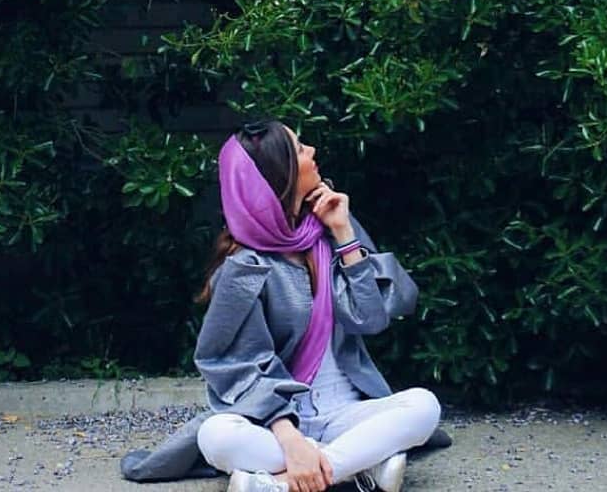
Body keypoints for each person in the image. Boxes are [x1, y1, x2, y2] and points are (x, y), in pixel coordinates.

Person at [120, 119, 449, 491]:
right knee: (216, 435)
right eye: (301, 149)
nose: (313, 151)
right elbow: (236, 365)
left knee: (424, 405)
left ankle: (282, 484)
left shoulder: (330, 234)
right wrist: (290, 439)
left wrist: (344, 234)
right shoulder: (245, 267)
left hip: (344, 412)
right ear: (282, 173)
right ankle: (360, 466)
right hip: (272, 424)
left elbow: (370, 318)